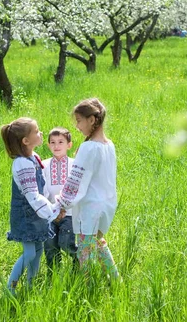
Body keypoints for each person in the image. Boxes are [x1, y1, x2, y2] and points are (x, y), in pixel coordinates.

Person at [54, 98, 119, 279]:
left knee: (85, 254)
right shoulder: (109, 145)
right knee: (98, 243)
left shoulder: (88, 147)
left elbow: (75, 183)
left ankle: (87, 290)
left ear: (91, 120)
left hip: (90, 208)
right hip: (106, 206)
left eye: (79, 121)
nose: (77, 126)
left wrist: (61, 205)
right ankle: (115, 280)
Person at [0, 117, 65, 293]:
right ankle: (10, 288)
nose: (41, 133)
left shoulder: (34, 158)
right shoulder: (22, 164)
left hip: (37, 214)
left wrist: (51, 205)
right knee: (29, 253)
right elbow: (32, 195)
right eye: (36, 131)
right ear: (26, 141)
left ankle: (30, 285)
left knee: (38, 249)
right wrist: (52, 210)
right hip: (26, 216)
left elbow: (41, 188)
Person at [42, 127, 78, 270]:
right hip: (49, 213)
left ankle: (78, 265)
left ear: (69, 145)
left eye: (61, 142)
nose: (56, 146)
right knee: (50, 244)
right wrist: (52, 210)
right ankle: (54, 274)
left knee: (66, 243)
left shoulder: (75, 164)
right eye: (52, 142)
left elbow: (76, 188)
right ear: (48, 145)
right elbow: (42, 189)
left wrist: (63, 207)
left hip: (69, 213)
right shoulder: (43, 165)